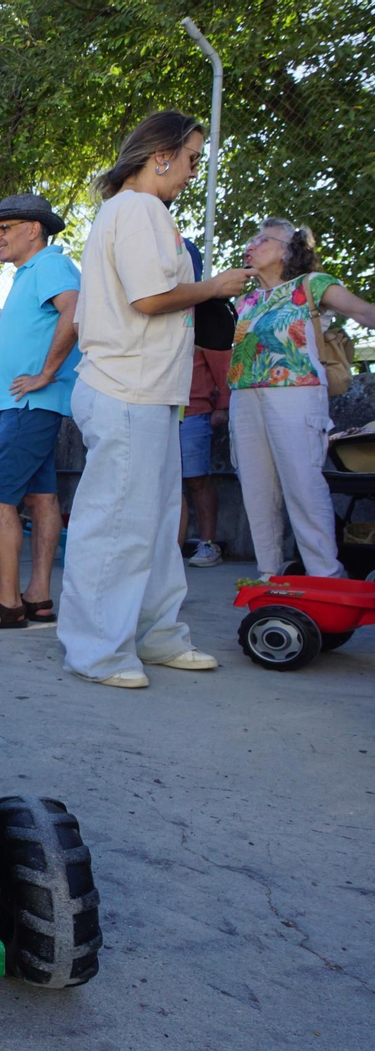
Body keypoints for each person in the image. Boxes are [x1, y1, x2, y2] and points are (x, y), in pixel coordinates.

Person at [58, 109, 257, 687]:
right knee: (118, 523)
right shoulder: (138, 208)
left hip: (145, 390)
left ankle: (156, 634)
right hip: (126, 388)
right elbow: (150, 297)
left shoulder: (139, 212)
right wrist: (216, 287)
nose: (195, 171)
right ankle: (97, 651)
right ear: (161, 154)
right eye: (193, 158)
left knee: (155, 520)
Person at [0, 194, 81, 630]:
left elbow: (75, 311)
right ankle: (38, 597)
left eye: (4, 228)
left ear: (34, 228)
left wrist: (46, 373)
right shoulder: (31, 273)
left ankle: (8, 601)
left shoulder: (48, 264)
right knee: (42, 496)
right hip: (26, 406)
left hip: (25, 405)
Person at [229, 218, 375, 577]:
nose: (252, 245)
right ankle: (268, 575)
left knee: (302, 486)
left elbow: (361, 310)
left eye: (263, 239)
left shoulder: (310, 284)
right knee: (257, 492)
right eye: (251, 239)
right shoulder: (243, 299)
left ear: (288, 249)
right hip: (244, 398)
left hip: (296, 393)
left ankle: (326, 574)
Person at [180, 345, 230, 567]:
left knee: (197, 479)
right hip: (158, 408)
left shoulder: (205, 319)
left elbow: (224, 366)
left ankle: (208, 544)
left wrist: (223, 405)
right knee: (160, 483)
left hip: (194, 410)